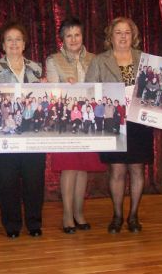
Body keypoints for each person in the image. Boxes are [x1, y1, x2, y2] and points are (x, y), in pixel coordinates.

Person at [86, 17, 154, 233]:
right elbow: (89, 91)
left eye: (127, 32)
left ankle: (133, 216)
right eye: (118, 32)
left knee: (137, 169)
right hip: (113, 121)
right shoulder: (99, 61)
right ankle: (117, 215)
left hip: (139, 122)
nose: (123, 36)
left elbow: (155, 88)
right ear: (110, 36)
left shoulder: (144, 58)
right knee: (116, 170)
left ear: (133, 36)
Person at [0, 21, 45, 238]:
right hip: (2, 133)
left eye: (18, 39)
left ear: (24, 44)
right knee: (7, 181)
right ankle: (12, 225)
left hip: (32, 134)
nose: (14, 43)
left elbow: (44, 101)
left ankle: (34, 223)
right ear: (3, 44)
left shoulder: (36, 69)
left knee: (34, 180)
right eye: (10, 39)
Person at [45, 17, 104, 233]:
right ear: (62, 39)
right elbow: (51, 91)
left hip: (88, 120)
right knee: (69, 168)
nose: (73, 39)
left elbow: (100, 87)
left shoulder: (95, 59)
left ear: (82, 36)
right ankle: (67, 215)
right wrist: (64, 87)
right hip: (66, 121)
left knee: (83, 168)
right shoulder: (53, 60)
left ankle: (80, 213)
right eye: (68, 35)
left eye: (77, 34)